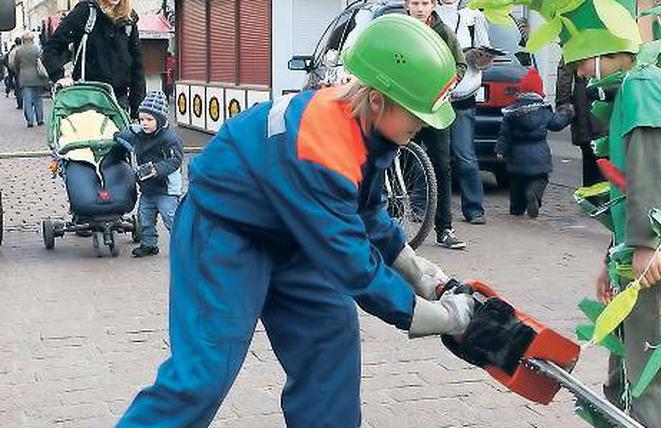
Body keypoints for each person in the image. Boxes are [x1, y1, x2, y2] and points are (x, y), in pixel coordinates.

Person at [117, 16, 475, 427]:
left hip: (294, 231)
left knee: (329, 343)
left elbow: (365, 211)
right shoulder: (321, 146)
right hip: (225, 234)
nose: (424, 124)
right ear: (378, 99)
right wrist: (441, 318)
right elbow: (354, 266)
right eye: (417, 114)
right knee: (204, 374)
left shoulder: (370, 126)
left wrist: (422, 273)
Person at [471, 0, 661, 425]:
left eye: (582, 61)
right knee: (631, 358)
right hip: (647, 250)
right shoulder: (636, 87)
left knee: (653, 365)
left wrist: (644, 245)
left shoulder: (642, 87)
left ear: (605, 50)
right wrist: (617, 253)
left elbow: (654, 170)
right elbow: (630, 189)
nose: (580, 73)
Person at [405, 0, 469, 249]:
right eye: (415, 3)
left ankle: (445, 229)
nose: (420, 8)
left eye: (425, 3)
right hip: (405, 108)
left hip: (435, 109)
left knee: (442, 167)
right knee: (397, 161)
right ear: (407, 5)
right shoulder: (400, 30)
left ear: (433, 6)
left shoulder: (444, 32)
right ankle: (388, 223)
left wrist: (448, 85)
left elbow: (460, 65)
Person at [43, 0, 145, 118]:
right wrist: (59, 76)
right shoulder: (85, 12)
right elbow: (52, 48)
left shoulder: (128, 19)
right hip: (87, 99)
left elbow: (137, 65)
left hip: (119, 101)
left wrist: (138, 109)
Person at [439, 0, 491, 225]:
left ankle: (474, 208)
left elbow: (486, 58)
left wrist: (478, 58)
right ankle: (422, 206)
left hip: (463, 95)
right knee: (431, 157)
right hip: (436, 95)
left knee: (465, 155)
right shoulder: (430, 12)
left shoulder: (473, 16)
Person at [114, 91, 183, 258]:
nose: (144, 123)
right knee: (145, 217)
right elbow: (126, 136)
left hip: (166, 189)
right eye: (142, 119)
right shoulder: (139, 133)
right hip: (148, 188)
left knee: (170, 217)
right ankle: (149, 244)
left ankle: (183, 245)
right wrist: (115, 136)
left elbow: (175, 160)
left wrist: (157, 169)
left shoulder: (169, 138)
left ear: (160, 120)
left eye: (149, 120)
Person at [495, 79, 573, 218]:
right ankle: (534, 193)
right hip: (539, 154)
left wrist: (500, 150)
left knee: (516, 185)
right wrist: (567, 114)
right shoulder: (543, 110)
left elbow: (504, 134)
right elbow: (556, 124)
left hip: (516, 155)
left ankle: (516, 209)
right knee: (540, 178)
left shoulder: (512, 112)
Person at [556, 61, 606, 187]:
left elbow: (564, 78)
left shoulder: (575, 46)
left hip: (584, 102)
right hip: (605, 102)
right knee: (608, 161)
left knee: (589, 159)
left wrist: (564, 104)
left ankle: (591, 200)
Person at [13, 32, 47, 128]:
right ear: (32, 39)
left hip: (24, 77)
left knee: (27, 100)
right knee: (38, 99)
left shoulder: (19, 51)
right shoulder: (37, 49)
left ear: (23, 40)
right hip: (37, 76)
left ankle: (30, 121)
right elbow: (43, 61)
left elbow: (16, 64)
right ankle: (40, 120)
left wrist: (19, 72)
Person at [6, 37, 22, 109]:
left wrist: (13, 70)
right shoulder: (23, 49)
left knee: (18, 87)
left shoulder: (13, 51)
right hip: (26, 71)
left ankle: (20, 103)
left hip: (17, 72)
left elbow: (10, 63)